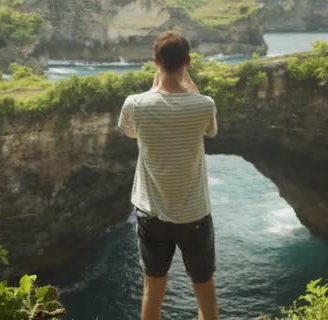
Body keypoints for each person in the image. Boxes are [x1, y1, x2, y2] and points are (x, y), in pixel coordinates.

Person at [117, 30, 219, 320]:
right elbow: (210, 131)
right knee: (205, 290)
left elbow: (129, 132)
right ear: (187, 61)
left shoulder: (135, 104)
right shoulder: (204, 105)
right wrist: (187, 82)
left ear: (154, 61)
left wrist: (155, 87)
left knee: (153, 291)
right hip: (195, 216)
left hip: (152, 215)